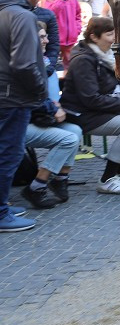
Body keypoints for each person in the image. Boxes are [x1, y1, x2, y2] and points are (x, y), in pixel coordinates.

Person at [60, 16, 120, 194]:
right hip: (81, 113)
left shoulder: (108, 56)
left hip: (98, 109)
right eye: (110, 34)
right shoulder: (83, 61)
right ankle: (107, 179)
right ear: (94, 37)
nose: (115, 38)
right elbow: (90, 98)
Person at [0, 0, 48, 232]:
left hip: (5, 94)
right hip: (12, 97)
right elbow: (24, 64)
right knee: (8, 153)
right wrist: (41, 92)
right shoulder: (21, 15)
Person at [20, 22, 80, 209]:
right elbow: (30, 98)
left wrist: (56, 108)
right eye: (42, 37)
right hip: (20, 124)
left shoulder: (43, 62)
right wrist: (53, 110)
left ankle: (61, 178)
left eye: (46, 35)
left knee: (75, 131)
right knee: (69, 139)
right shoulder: (25, 64)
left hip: (38, 117)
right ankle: (36, 187)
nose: (47, 40)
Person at [40, 0, 80, 69]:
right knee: (53, 67)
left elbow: (78, 15)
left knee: (71, 68)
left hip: (70, 41)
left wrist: (76, 29)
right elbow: (49, 15)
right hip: (55, 41)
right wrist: (61, 0)